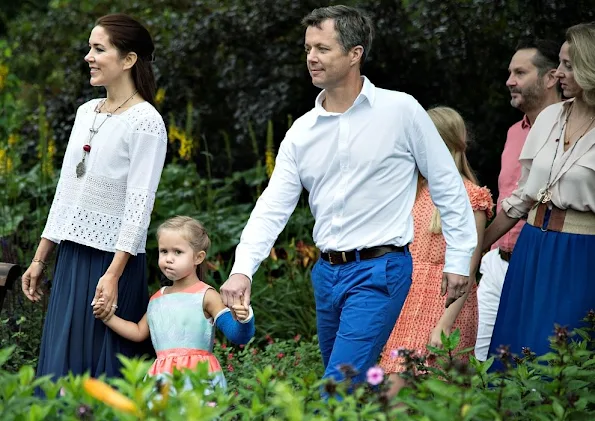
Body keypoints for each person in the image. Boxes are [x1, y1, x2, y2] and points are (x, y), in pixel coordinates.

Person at [220, 5, 478, 384]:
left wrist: (458, 258)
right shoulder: (302, 131)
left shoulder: (400, 110)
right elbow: (272, 207)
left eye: (323, 48)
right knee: (351, 386)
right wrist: (243, 269)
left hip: (381, 269)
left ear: (355, 53)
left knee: (337, 387)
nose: (311, 58)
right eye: (308, 48)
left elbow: (447, 184)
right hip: (326, 274)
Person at [21, 13, 167, 379]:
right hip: (71, 257)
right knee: (61, 366)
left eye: (99, 49)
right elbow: (67, 193)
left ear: (129, 60)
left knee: (105, 374)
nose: (88, 56)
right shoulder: (86, 112)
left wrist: (114, 274)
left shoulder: (146, 122)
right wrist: (40, 259)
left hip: (114, 264)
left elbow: (139, 206)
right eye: (90, 47)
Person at [483, 23, 595, 365]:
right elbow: (521, 197)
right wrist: (475, 247)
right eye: (559, 63)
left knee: (559, 357)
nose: (558, 73)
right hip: (531, 245)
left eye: (568, 65)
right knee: (513, 351)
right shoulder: (549, 118)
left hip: (581, 253)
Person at [380, 107, 493, 397]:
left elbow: (468, 270)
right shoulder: (413, 189)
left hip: (447, 302)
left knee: (441, 395)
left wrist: (445, 326)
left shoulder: (471, 196)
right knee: (392, 390)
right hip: (407, 296)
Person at [474, 39, 561, 361]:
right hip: (498, 262)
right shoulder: (513, 132)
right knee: (480, 358)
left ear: (551, 77)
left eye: (520, 72)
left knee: (535, 357)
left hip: (542, 263)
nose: (510, 81)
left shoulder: (571, 131)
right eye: (510, 72)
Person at [94, 216, 255, 389]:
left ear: (198, 257)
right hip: (163, 380)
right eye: (164, 251)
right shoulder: (158, 298)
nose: (169, 258)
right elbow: (139, 332)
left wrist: (244, 319)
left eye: (177, 252)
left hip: (198, 378)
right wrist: (108, 317)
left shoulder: (206, 295)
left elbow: (238, 336)